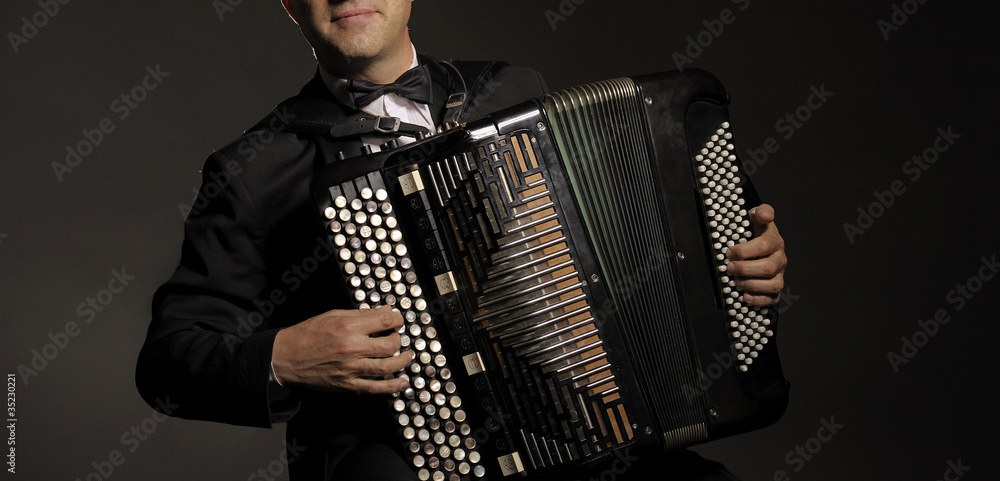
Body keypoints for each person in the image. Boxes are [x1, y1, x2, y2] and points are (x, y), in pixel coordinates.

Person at [135, 1, 788, 480]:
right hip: (395, 456)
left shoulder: (515, 89)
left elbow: (652, 209)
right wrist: (282, 357)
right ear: (288, 3)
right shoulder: (253, 170)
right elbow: (167, 363)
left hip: (586, 428)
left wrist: (740, 257)